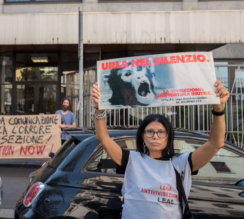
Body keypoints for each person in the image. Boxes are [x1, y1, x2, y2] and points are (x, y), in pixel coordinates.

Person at [91, 81, 229, 219]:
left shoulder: (182, 163)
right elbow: (103, 137)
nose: (155, 136)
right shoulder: (131, 160)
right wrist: (99, 108)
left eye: (161, 132)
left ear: (168, 136)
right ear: (142, 136)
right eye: (149, 132)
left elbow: (216, 143)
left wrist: (219, 110)